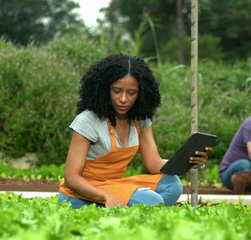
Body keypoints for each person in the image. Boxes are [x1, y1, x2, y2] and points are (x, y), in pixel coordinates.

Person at [58, 53, 212, 209]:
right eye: (117, 91)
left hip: (113, 185)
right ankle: (130, 210)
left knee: (172, 184)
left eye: (131, 93)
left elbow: (154, 163)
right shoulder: (88, 120)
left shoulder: (140, 119)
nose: (124, 99)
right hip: (80, 193)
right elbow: (71, 178)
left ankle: (130, 211)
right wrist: (107, 196)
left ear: (142, 93)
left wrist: (187, 161)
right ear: (104, 89)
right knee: (151, 200)